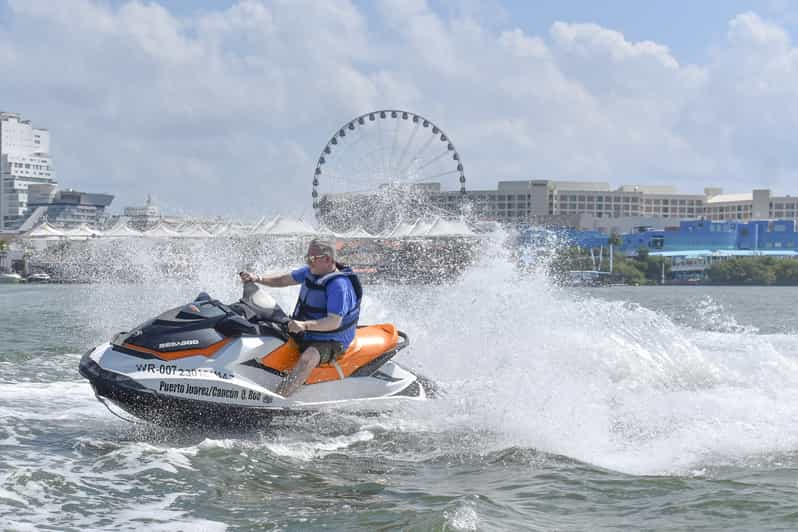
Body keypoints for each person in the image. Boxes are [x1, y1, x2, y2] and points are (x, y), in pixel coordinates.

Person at [239, 238, 362, 397]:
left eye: (312, 259)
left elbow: (334, 322)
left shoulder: (339, 286)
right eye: (307, 258)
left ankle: (280, 397)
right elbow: (283, 280)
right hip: (307, 329)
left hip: (331, 339)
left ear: (327, 259)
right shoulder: (311, 272)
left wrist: (304, 325)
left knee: (308, 358)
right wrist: (257, 278)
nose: (309, 262)